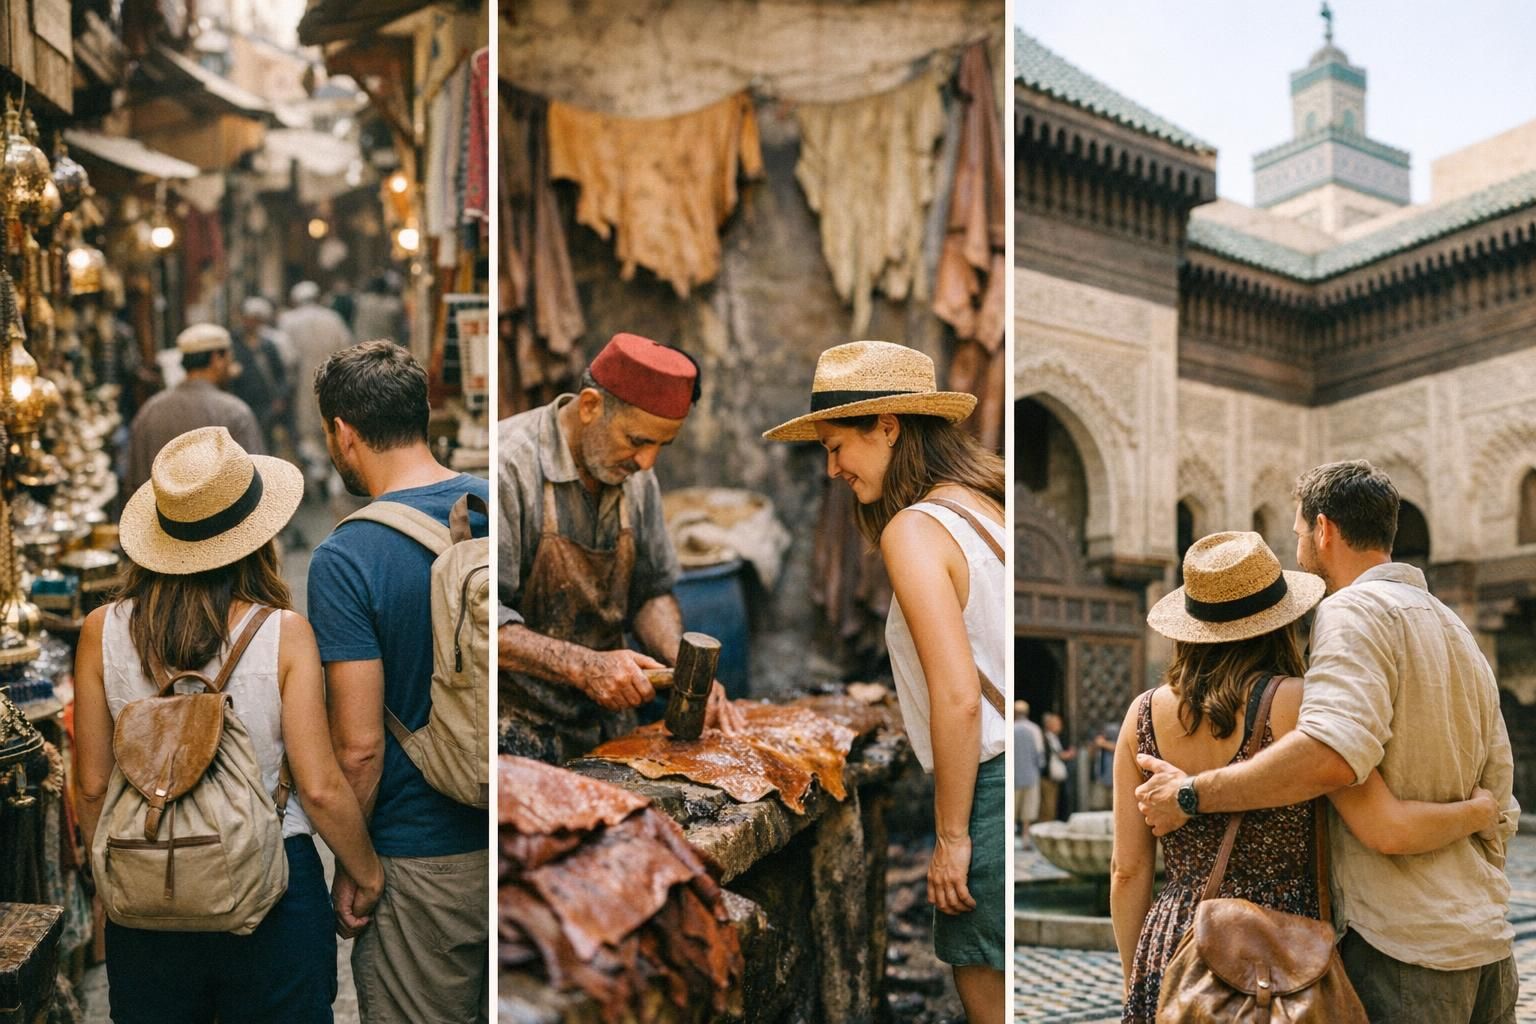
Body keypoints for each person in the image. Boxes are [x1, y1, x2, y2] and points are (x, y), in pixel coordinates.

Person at [1135, 462, 1519, 1023]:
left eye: (1295, 534)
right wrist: (1477, 812)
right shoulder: (1455, 627)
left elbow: (1331, 756)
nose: (1297, 547)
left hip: (1402, 948)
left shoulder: (1351, 610)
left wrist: (1190, 794)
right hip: (1484, 940)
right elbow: (1499, 795)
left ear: (1324, 529)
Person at [73, 426, 384, 1022]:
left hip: (147, 882)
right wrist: (363, 871)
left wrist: (110, 878)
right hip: (269, 887)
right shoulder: (283, 634)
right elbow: (318, 786)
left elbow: (91, 785)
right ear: (255, 538)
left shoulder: (99, 632)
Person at [764, 339, 1005, 1024]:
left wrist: (951, 838)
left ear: (890, 427)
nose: (833, 468)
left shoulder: (913, 528)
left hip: (980, 793)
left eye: (839, 446)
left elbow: (958, 697)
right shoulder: (985, 507)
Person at [306, 341, 489, 1024]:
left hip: (421, 862)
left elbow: (359, 749)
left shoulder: (346, 558)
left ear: (343, 431)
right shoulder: (495, 501)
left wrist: (355, 866)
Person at [498, 332, 743, 764]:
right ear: (590, 406)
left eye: (660, 446)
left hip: (608, 729)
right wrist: (584, 666)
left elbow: (650, 591)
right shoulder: (508, 469)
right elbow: (478, 623)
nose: (647, 463)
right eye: (636, 441)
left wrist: (681, 664)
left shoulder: (636, 477)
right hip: (514, 734)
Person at [126, 324, 263, 494]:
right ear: (216, 359)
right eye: (229, 358)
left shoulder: (150, 411)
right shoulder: (235, 412)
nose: (231, 365)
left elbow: (135, 482)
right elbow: (253, 481)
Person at [278, 281, 354, 471]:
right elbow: (347, 348)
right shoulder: (333, 318)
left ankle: (315, 469)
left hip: (302, 383)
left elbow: (285, 356)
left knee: (306, 428)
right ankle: (331, 469)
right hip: (331, 380)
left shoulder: (288, 320)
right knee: (329, 424)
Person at [228, 296, 291, 453]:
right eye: (249, 318)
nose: (251, 322)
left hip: (267, 405)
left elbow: (281, 374)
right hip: (242, 403)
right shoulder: (233, 344)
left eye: (256, 319)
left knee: (267, 446)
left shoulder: (268, 346)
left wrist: (280, 398)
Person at [1014, 700, 1044, 844]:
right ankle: (1025, 837)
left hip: (1014, 775)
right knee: (1028, 810)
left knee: (1012, 809)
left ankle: (1012, 838)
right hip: (1030, 775)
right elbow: (1039, 754)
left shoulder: (1011, 728)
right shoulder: (1035, 729)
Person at [1039, 712, 1073, 823]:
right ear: (1049, 725)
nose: (1060, 726)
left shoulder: (1054, 737)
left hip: (1053, 777)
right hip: (1047, 776)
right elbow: (1058, 754)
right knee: (1048, 806)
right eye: (1057, 723)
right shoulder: (1047, 737)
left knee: (1052, 804)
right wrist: (1069, 754)